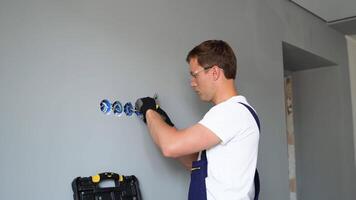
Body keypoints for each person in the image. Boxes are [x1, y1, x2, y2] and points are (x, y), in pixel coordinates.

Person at [135, 40, 260, 200]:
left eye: (195, 75)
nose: (192, 83)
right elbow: (194, 163)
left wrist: (149, 111)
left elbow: (170, 146)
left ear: (215, 72)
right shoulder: (236, 113)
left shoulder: (231, 111)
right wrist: (165, 124)